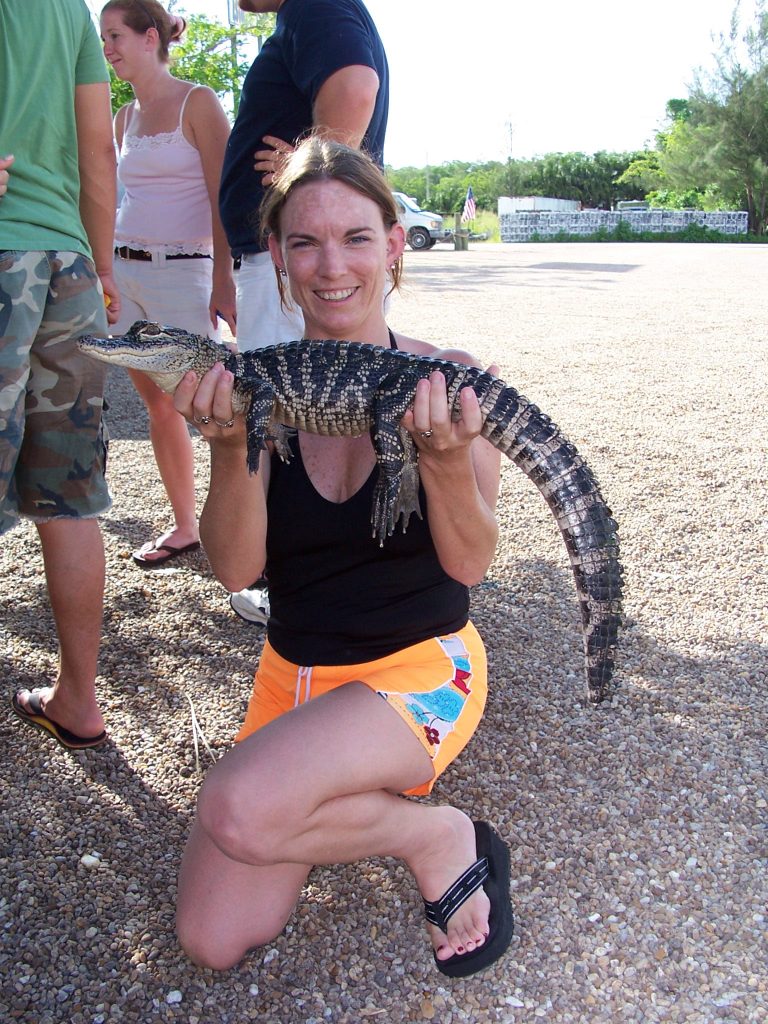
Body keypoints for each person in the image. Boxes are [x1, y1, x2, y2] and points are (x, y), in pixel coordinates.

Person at [172, 137, 514, 978]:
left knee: (238, 807)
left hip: (421, 666)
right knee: (211, 940)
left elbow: (470, 566)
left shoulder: (449, 379)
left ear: (394, 244)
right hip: (294, 675)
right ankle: (375, 804)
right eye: (305, 242)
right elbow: (234, 569)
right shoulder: (256, 386)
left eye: (356, 237)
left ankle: (436, 836)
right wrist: (225, 448)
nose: (332, 266)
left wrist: (439, 462)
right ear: (280, 259)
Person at [220, 0, 388, 621]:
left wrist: (309, 173)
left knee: (289, 426)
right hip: (274, 258)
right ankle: (335, 569)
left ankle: (285, 578)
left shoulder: (313, 6)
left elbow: (354, 85)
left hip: (291, 264)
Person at [2, 0, 121, 749]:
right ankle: (79, 698)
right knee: (69, 499)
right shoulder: (67, 10)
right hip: (68, 264)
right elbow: (98, 156)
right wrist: (101, 266)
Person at [100, 0, 237, 568]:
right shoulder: (122, 117)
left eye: (114, 36)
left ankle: (259, 530)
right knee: (157, 405)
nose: (107, 49)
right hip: (126, 272)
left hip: (187, 272)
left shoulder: (197, 102)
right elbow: (116, 198)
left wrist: (224, 281)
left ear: (149, 36)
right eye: (103, 39)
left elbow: (224, 198)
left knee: (213, 410)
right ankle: (185, 526)